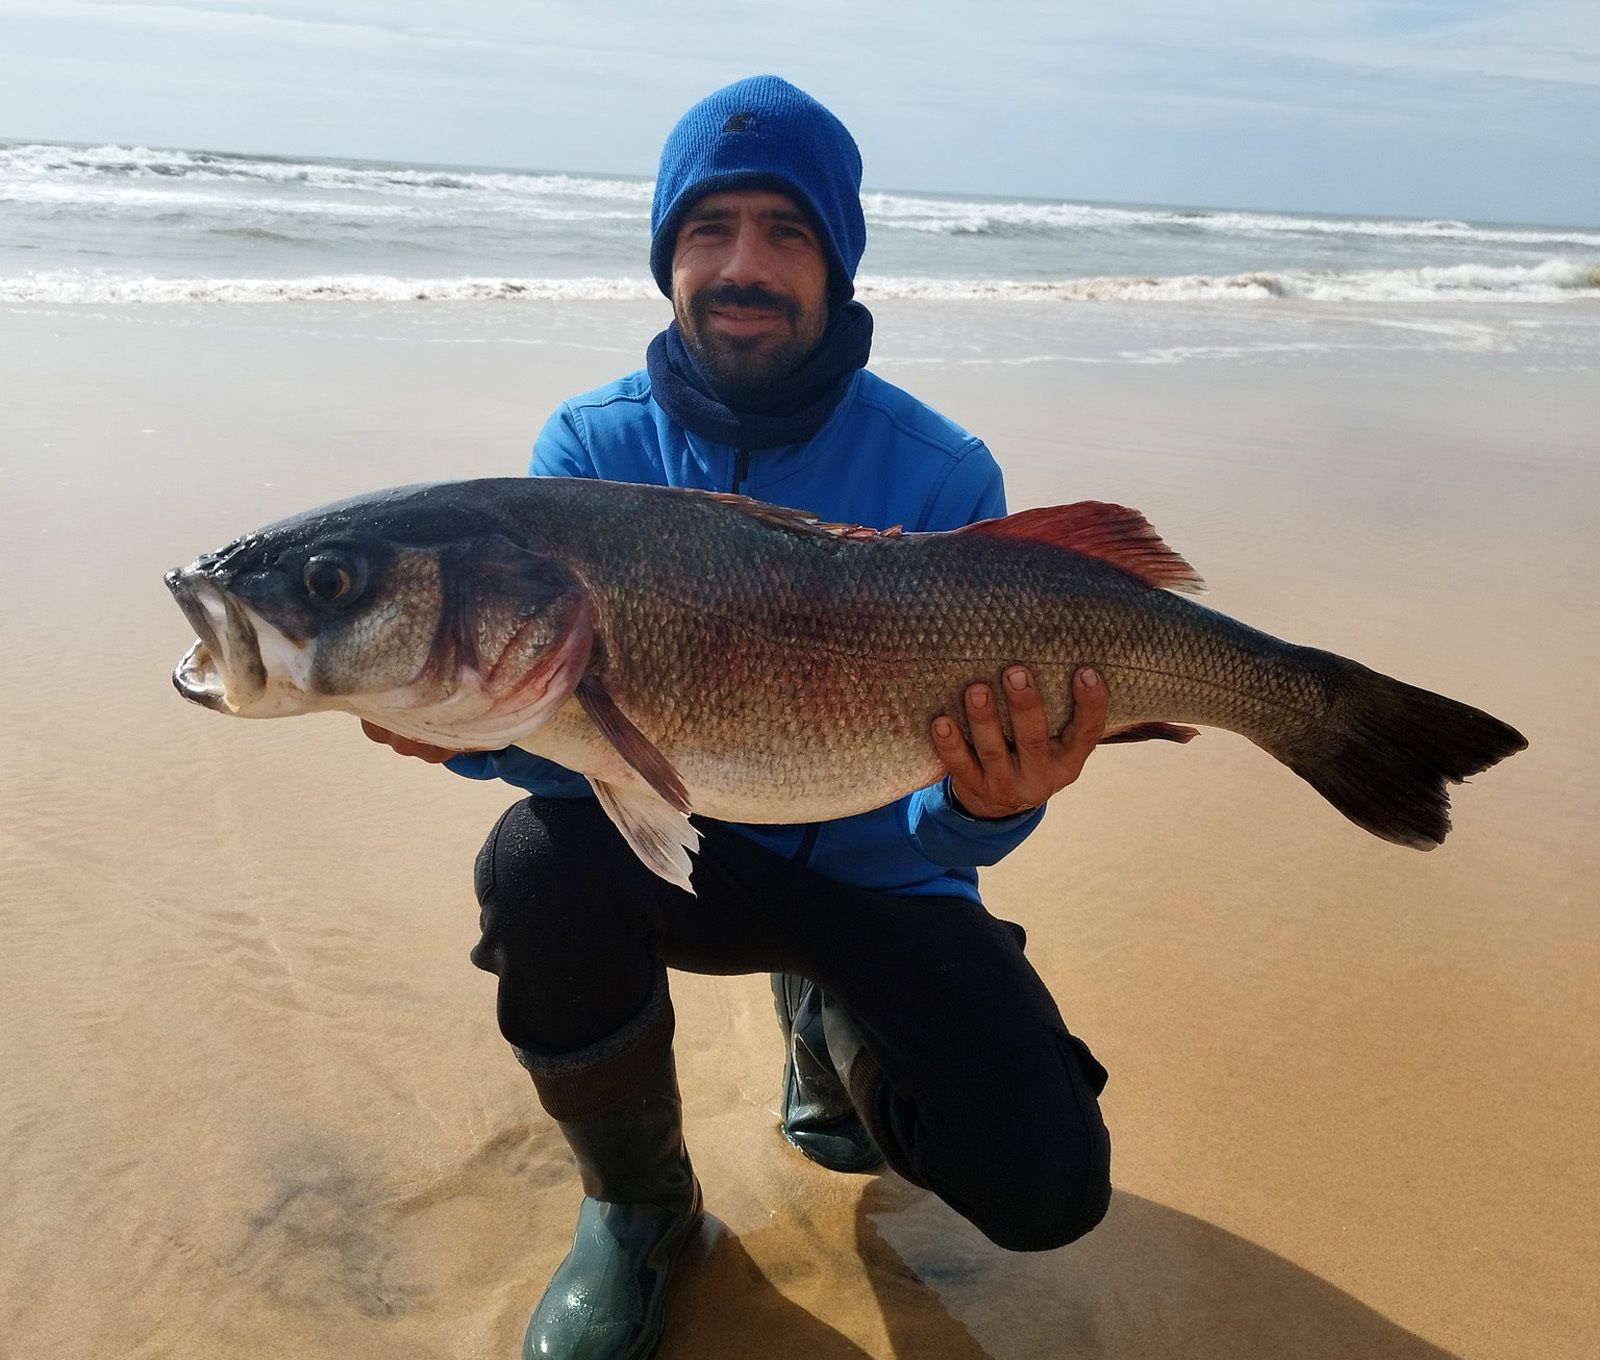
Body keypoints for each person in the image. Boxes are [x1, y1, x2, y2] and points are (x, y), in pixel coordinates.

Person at [367, 74, 1113, 1360]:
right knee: (538, 867)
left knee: (1048, 1188)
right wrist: (476, 730)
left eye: (786, 231)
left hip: (887, 883)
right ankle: (640, 1207)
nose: (742, 265)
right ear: (667, 258)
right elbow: (575, 747)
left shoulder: (942, 472)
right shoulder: (586, 451)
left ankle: (831, 1032)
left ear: (835, 260)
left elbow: (950, 825)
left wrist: (995, 804)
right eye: (707, 231)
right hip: (691, 868)